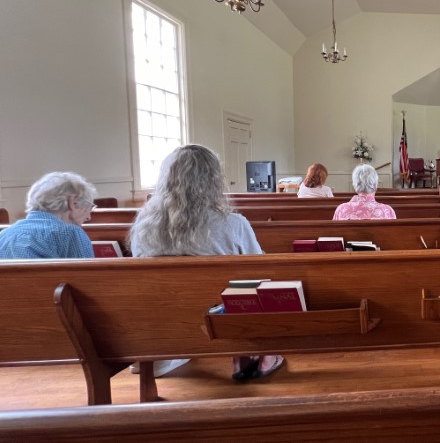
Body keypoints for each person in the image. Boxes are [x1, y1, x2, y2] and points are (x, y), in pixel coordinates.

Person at [129, 144, 284, 380]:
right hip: (221, 322)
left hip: (164, 323)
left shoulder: (143, 227)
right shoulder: (233, 224)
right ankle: (250, 352)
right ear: (213, 181)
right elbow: (260, 276)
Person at [0, 172, 96, 259]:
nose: (88, 217)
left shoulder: (4, 234)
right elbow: (87, 273)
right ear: (73, 202)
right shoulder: (71, 233)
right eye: (89, 207)